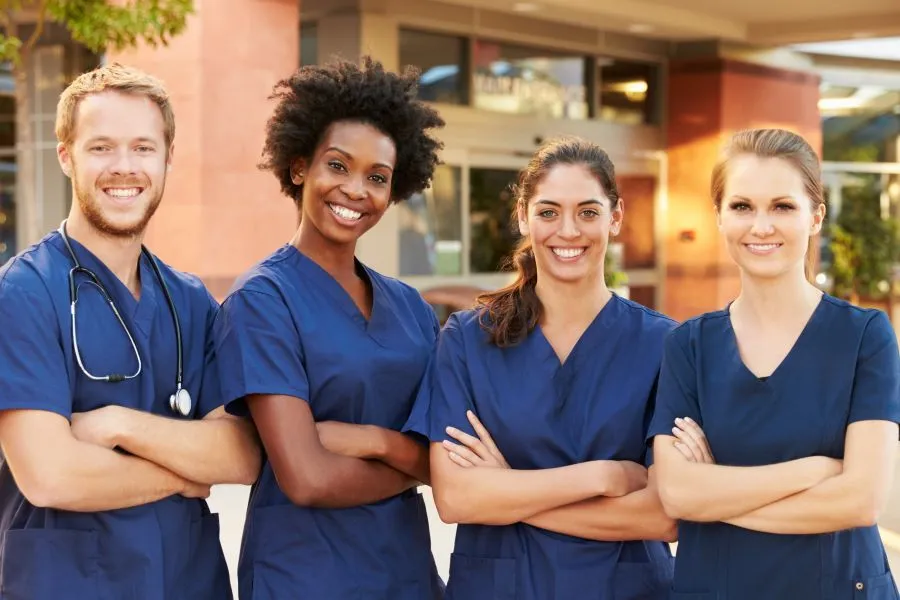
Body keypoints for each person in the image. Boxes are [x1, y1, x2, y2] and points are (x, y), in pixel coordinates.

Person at [0, 64, 261, 600]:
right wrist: (185, 476)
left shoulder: (189, 300)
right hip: (67, 584)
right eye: (101, 148)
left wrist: (118, 425)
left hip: (187, 581)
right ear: (66, 156)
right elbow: (51, 474)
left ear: (168, 158)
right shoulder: (24, 293)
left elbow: (241, 455)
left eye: (143, 148)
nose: (124, 168)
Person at [211, 57, 446, 599]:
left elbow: (442, 462)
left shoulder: (410, 307)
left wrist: (372, 439)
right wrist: (411, 465)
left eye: (377, 177)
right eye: (337, 166)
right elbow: (307, 478)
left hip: (407, 575)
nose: (356, 190)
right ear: (300, 169)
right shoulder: (263, 300)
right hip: (304, 576)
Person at [403, 137, 678, 600]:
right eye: (548, 212)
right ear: (523, 217)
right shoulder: (468, 341)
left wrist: (506, 491)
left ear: (615, 218)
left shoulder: (665, 345)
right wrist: (601, 477)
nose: (567, 231)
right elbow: (455, 499)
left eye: (588, 212)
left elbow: (662, 516)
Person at [648, 128, 900, 600]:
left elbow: (861, 500)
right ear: (719, 217)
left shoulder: (865, 337)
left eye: (782, 206)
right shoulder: (688, 346)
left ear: (815, 217)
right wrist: (814, 472)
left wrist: (715, 498)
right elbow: (677, 495)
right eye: (742, 206)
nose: (761, 226)